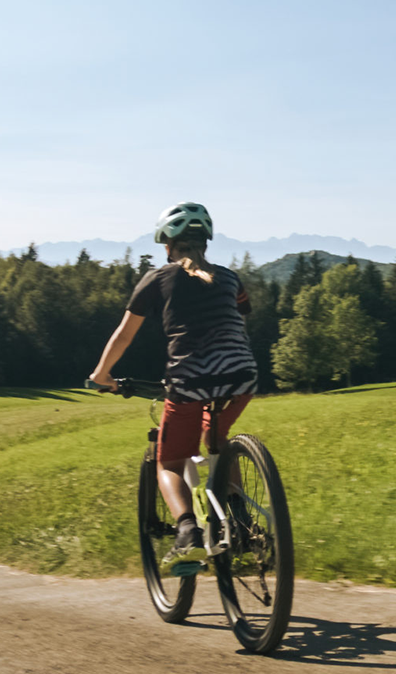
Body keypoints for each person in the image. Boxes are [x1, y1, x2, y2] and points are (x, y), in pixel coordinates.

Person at [90, 201, 260, 573]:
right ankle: (241, 524)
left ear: (167, 244)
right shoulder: (230, 278)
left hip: (190, 380)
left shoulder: (156, 279)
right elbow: (240, 318)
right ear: (206, 242)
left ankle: (187, 533)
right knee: (215, 441)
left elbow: (124, 335)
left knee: (169, 462)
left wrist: (102, 375)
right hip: (242, 377)